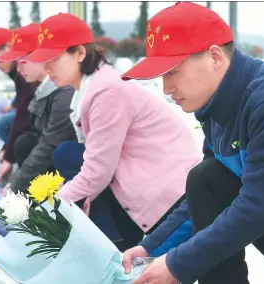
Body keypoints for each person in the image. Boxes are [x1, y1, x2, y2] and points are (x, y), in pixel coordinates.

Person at [119, 2, 264, 284]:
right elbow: (208, 192)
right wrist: (151, 248)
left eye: (172, 72)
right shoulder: (218, 107)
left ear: (215, 57)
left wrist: (178, 264)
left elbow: (257, 209)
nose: (166, 88)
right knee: (206, 177)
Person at [23, 13, 203, 251]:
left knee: (153, 271)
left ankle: (114, 243)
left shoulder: (106, 91)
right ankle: (114, 241)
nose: (47, 68)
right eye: (43, 61)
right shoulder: (88, 90)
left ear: (79, 53)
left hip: (171, 196)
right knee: (68, 154)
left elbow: (97, 171)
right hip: (146, 180)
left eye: (53, 59)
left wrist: (49, 208)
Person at [0, 23, 77, 193]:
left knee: (28, 142)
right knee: (25, 142)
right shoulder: (43, 87)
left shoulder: (64, 92)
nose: (18, 68)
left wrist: (19, 186)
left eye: (23, 61)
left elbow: (50, 143)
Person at [0, 28, 39, 182]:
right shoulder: (19, 73)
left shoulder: (27, 74)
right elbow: (22, 103)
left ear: (9, 46)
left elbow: (23, 114)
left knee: (7, 128)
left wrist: (8, 156)